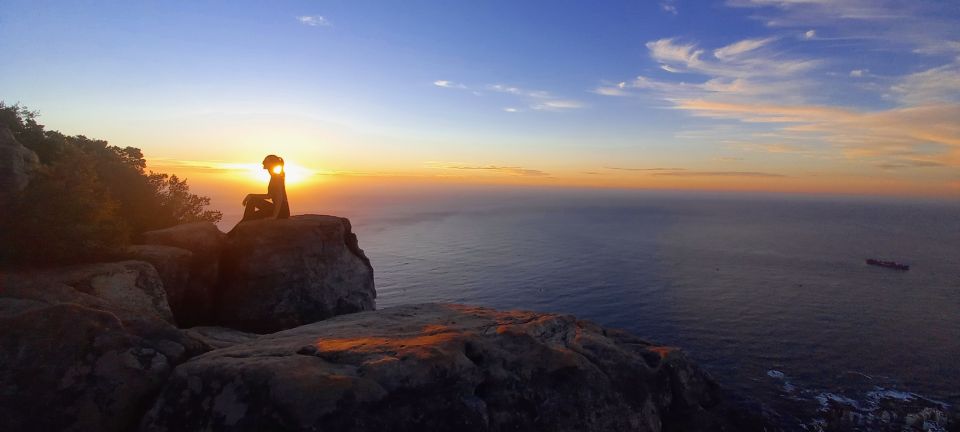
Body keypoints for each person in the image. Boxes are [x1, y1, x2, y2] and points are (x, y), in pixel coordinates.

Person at [234, 155, 290, 229]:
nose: (262, 162)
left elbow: (280, 197)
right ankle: (240, 226)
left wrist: (274, 216)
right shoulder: (274, 176)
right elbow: (269, 195)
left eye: (265, 161)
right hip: (278, 209)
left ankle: (230, 235)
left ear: (271, 164)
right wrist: (250, 195)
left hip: (282, 211)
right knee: (251, 205)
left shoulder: (277, 177)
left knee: (250, 214)